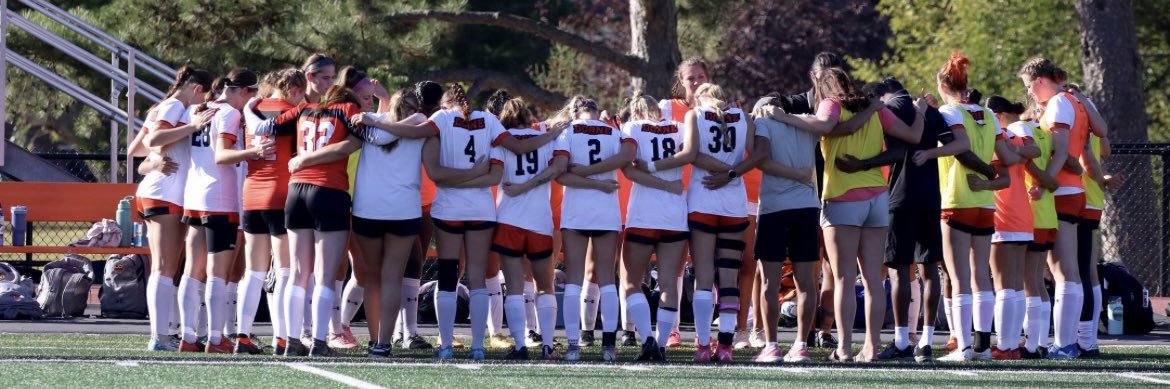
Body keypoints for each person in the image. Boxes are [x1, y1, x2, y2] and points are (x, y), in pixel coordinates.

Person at [764, 66, 924, 361]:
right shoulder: (875, 109)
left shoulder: (831, 104)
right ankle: (872, 347)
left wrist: (784, 117)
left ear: (824, 88)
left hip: (842, 198)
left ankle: (845, 347)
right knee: (874, 281)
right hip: (877, 197)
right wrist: (921, 111)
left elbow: (825, 126)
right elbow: (914, 136)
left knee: (844, 279)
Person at [248, 84, 366, 356]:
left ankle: (292, 340)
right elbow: (355, 141)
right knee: (324, 276)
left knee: (298, 274)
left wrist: (247, 108)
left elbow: (262, 128)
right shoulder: (347, 109)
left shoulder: (303, 109)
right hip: (329, 190)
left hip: (296, 191)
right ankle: (320, 342)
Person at [915, 53, 1018, 362]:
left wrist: (929, 153)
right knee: (981, 276)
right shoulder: (988, 114)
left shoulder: (949, 112)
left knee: (959, 277)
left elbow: (958, 145)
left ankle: (963, 348)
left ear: (941, 85)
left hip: (956, 199)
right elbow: (1008, 158)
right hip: (984, 203)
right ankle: (983, 346)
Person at [1019, 57, 1105, 359]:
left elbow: (1060, 152)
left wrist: (1046, 183)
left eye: (1030, 86)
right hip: (1072, 190)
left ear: (1041, 81)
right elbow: (1099, 130)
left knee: (1064, 272)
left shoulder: (1058, 102)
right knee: (1069, 271)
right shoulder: (1075, 100)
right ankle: (1070, 342)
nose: (1030, 93)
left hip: (1063, 191)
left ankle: (1066, 344)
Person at [131, 65, 215, 351]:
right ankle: (159, 336)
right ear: (197, 89)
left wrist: (155, 160)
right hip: (164, 193)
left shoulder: (164, 107)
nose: (203, 104)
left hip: (163, 192)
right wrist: (191, 127)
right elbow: (153, 141)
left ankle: (166, 332)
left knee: (167, 267)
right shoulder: (175, 105)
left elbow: (137, 150)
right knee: (164, 268)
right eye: (205, 96)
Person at [179, 69, 263, 353]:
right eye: (252, 93)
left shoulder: (201, 109)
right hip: (219, 199)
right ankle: (215, 339)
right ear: (244, 90)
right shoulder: (229, 113)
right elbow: (222, 155)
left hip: (195, 195)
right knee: (218, 273)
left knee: (193, 271)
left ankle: (188, 336)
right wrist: (253, 152)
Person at [553, 96, 635, 361]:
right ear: (598, 112)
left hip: (576, 212)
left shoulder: (567, 131)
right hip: (606, 210)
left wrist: (584, 173)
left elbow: (561, 174)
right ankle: (608, 346)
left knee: (574, 279)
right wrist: (599, 182)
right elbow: (628, 155)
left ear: (576, 112)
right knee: (607, 279)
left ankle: (574, 346)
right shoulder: (613, 132)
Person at [490, 97, 567, 360]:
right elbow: (558, 168)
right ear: (528, 117)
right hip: (540, 222)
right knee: (545, 286)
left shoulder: (501, 142)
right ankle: (547, 345)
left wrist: (519, 187)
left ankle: (520, 346)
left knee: (513, 287)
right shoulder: (546, 139)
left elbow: (495, 176)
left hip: (508, 219)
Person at [237, 68, 305, 355]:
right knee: (286, 269)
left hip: (252, 191)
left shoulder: (254, 108)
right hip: (281, 191)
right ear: (294, 88)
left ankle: (241, 336)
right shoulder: (293, 112)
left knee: (254, 271)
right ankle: (283, 337)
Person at [617, 92, 688, 361]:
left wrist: (659, 182)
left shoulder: (632, 127)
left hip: (644, 215)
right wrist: (670, 185)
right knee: (669, 283)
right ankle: (661, 344)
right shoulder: (680, 127)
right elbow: (690, 154)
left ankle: (647, 338)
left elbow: (628, 170)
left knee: (631, 282)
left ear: (635, 111)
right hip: (675, 215)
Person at [749, 95, 820, 363]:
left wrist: (795, 174)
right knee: (806, 281)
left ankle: (771, 345)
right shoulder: (806, 122)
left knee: (769, 280)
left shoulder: (764, 124)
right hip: (806, 206)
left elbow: (761, 160)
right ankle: (800, 345)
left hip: (774, 207)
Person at [986, 96, 1041, 360]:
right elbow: (1034, 150)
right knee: (1016, 285)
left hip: (1004, 213)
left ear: (996, 116)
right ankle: (1011, 346)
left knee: (1004, 285)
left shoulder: (1000, 138)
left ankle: (1005, 345)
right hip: (1022, 214)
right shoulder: (1016, 137)